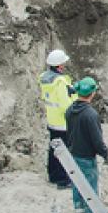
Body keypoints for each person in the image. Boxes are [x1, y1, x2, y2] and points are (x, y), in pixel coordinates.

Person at [65, 77, 108, 213]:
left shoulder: (70, 110)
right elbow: (97, 141)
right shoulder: (91, 115)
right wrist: (105, 154)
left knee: (77, 183)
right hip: (86, 157)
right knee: (90, 186)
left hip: (73, 154)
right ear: (92, 93)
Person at [40, 49, 74, 188]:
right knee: (64, 151)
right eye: (63, 63)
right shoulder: (60, 81)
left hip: (52, 120)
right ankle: (63, 180)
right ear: (59, 65)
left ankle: (53, 176)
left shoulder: (45, 79)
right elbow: (65, 104)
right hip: (62, 122)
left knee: (54, 149)